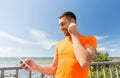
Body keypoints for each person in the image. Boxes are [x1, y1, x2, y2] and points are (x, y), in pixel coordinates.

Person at [20, 11, 97, 78]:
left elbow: (84, 62)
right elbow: (54, 68)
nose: (60, 28)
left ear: (72, 22)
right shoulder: (59, 44)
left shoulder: (89, 39)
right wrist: (36, 66)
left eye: (63, 24)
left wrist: (74, 35)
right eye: (59, 25)